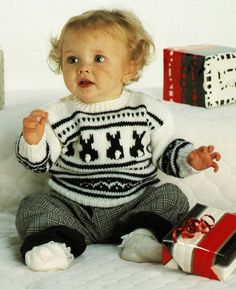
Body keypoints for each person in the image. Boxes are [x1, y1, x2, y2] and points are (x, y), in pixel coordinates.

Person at [15, 9, 221, 272]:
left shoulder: (147, 110)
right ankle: (54, 245)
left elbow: (164, 150)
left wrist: (190, 158)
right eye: (72, 59)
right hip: (74, 210)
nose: (83, 68)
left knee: (172, 196)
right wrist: (33, 140)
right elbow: (40, 163)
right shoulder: (59, 115)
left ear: (129, 67)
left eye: (98, 58)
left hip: (133, 205)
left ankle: (141, 237)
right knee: (33, 205)